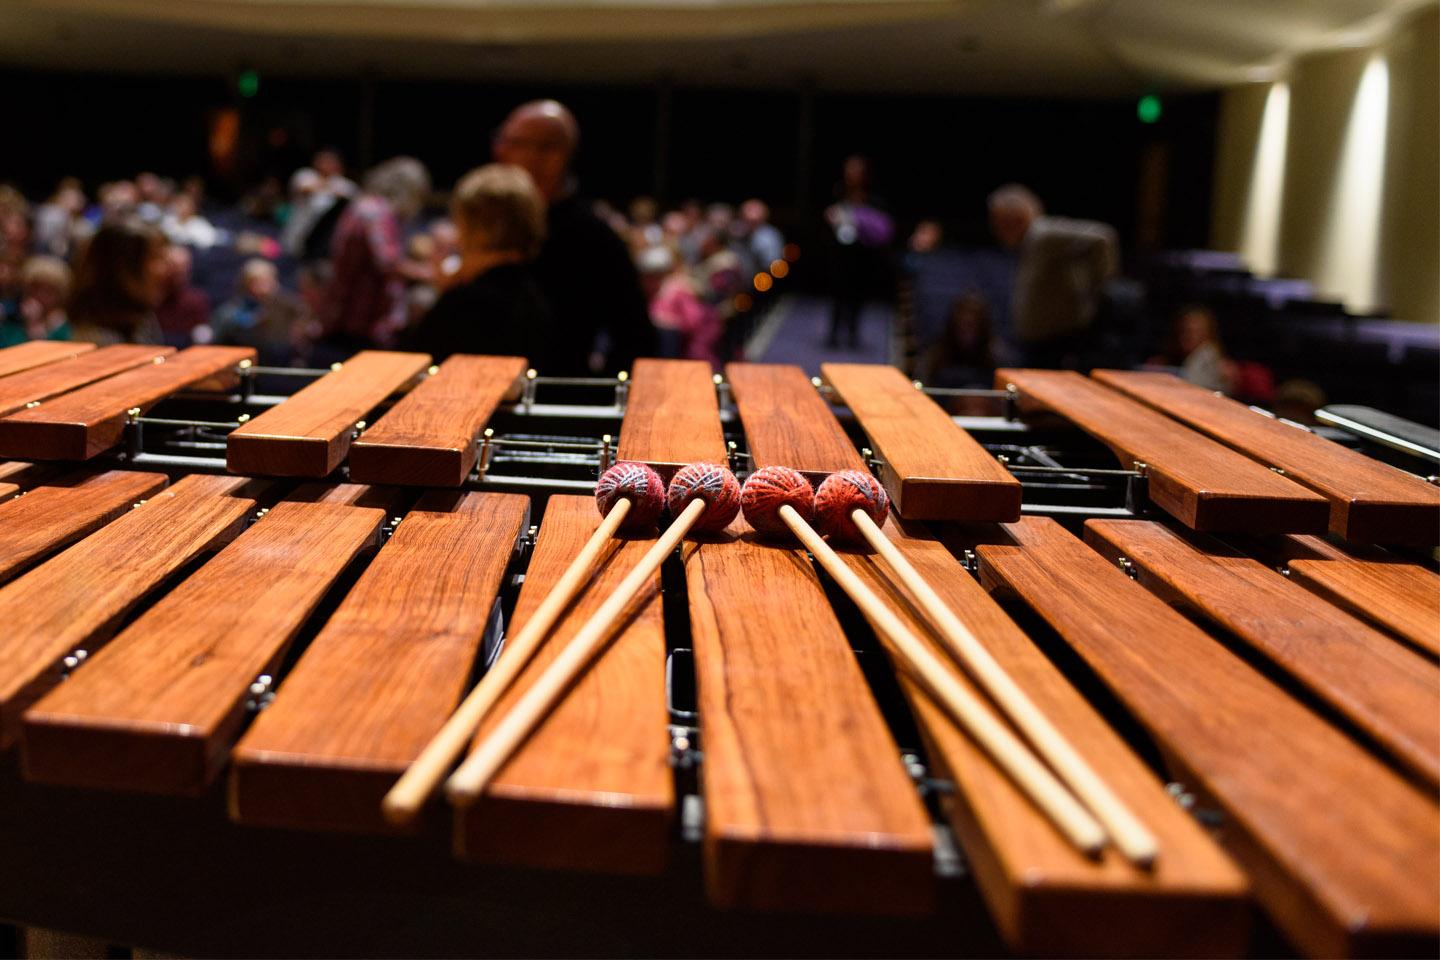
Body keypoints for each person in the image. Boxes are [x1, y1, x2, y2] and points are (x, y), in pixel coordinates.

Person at [491, 99, 653, 375]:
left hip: (556, 396)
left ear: (567, 154)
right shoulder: (485, 221)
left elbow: (634, 337)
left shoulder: (595, 236)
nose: (529, 156)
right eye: (515, 142)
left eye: (545, 146)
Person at [405, 164, 553, 364]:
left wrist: (445, 294)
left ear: (476, 227)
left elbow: (416, 366)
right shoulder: (535, 292)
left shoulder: (465, 302)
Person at [989, 183, 1118, 369]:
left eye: (1000, 222)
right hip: (1038, 345)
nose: (997, 230)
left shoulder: (1043, 233)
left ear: (1016, 218)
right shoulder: (1028, 242)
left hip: (1058, 344)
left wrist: (1097, 289)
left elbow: (1103, 237)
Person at [317, 156, 431, 356]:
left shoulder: (365, 206)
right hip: (358, 320)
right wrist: (433, 275)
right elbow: (387, 262)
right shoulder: (375, 212)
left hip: (351, 316)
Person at [824, 155, 894, 349]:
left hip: (863, 254)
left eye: (856, 170)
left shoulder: (874, 197)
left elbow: (883, 228)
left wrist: (861, 219)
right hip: (840, 253)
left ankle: (853, 334)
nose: (851, 174)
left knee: (858, 295)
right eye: (849, 170)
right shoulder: (838, 192)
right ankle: (833, 334)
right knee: (838, 294)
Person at [67, 218, 168, 344]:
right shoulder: (97, 339)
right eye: (154, 258)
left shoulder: (141, 319)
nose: (164, 269)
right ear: (122, 270)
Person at [210, 259, 308, 366]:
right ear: (245, 284)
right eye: (256, 282)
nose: (263, 288)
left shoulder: (287, 305)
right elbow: (220, 340)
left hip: (278, 362)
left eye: (267, 281)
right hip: (242, 361)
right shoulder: (231, 311)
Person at [915, 293, 998, 395]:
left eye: (971, 326)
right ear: (953, 326)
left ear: (982, 328)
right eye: (962, 328)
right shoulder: (934, 359)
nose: (967, 333)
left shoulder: (997, 359)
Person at [0, 256, 73, 347]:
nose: (39, 295)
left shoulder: (63, 327)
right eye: (35, 288)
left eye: (48, 291)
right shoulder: (14, 320)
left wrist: (34, 326)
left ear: (59, 295)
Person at [153, 245, 211, 346]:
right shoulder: (151, 298)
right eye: (174, 267)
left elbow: (201, 336)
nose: (179, 272)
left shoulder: (197, 300)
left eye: (183, 267)